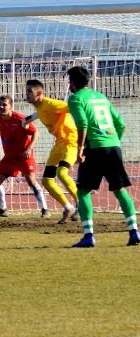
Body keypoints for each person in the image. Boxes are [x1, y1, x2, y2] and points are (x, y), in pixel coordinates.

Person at [65, 66, 138, 248]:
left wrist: (80, 149)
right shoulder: (101, 97)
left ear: (72, 83)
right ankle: (134, 232)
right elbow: (120, 123)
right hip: (113, 146)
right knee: (119, 190)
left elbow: (82, 123)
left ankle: (88, 235)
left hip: (95, 149)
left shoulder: (75, 99)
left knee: (82, 191)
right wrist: (113, 142)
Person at [23, 79, 80, 223]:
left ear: (40, 93)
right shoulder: (40, 107)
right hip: (58, 144)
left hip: (70, 142)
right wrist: (26, 120)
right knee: (47, 180)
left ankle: (81, 204)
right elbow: (40, 113)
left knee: (62, 173)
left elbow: (71, 107)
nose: (27, 94)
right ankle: (68, 207)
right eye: (27, 90)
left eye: (30, 91)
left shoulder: (51, 103)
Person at [0, 95, 48, 218]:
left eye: (4, 104)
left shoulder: (21, 119)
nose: (1, 107)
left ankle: (45, 209)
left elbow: (35, 132)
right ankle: (3, 209)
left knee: (31, 181)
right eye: (0, 104)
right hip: (9, 157)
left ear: (11, 106)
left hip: (24, 156)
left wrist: (29, 148)